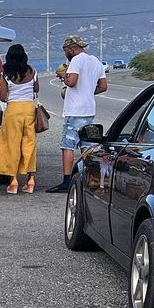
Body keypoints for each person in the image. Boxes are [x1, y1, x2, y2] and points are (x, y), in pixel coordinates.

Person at [45, 33, 107, 193]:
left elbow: (71, 82)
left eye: (65, 50)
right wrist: (88, 92)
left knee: (68, 146)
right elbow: (103, 86)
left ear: (71, 49)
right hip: (89, 109)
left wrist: (63, 76)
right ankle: (91, 181)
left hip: (75, 110)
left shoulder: (76, 60)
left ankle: (67, 181)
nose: (65, 53)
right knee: (87, 146)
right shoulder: (95, 61)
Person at [0, 43, 38, 194]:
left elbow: (3, 97)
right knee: (29, 143)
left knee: (12, 144)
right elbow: (36, 89)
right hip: (29, 109)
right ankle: (31, 180)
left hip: (13, 111)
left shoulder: (6, 74)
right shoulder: (32, 71)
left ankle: (14, 181)